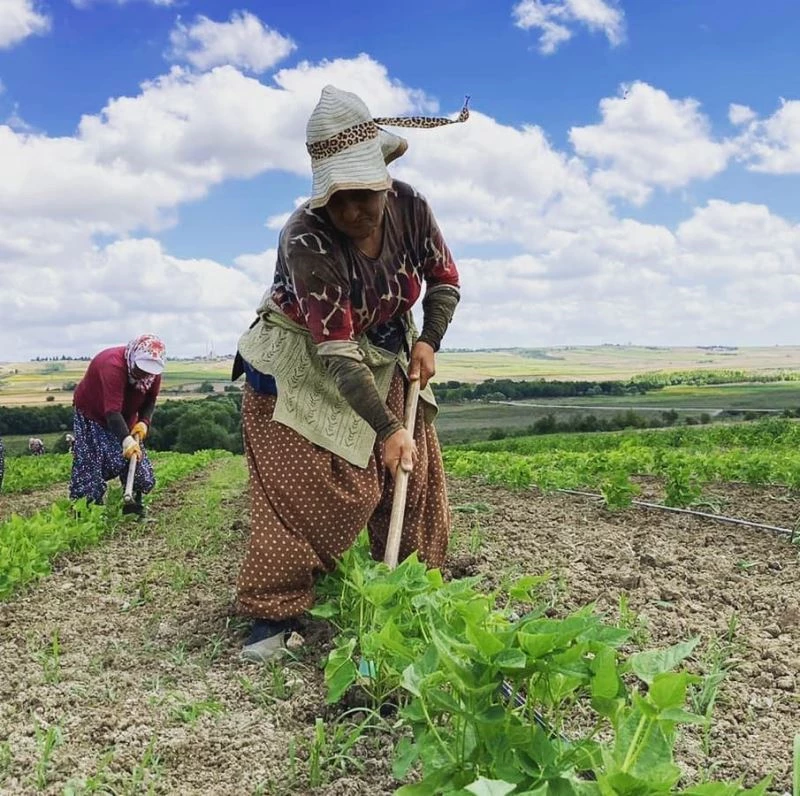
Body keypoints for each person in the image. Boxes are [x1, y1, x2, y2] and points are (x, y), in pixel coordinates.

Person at [233, 85, 468, 661]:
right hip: (303, 358)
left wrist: (430, 341)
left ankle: (416, 584)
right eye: (337, 199)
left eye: (363, 194)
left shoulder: (411, 207)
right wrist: (385, 428)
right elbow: (335, 350)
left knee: (410, 467)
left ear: (384, 178)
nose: (352, 212)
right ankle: (275, 612)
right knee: (306, 486)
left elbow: (444, 281)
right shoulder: (306, 237)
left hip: (383, 346)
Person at [70, 334, 166, 517]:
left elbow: (150, 400)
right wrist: (126, 441)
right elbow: (112, 412)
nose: (144, 374)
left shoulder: (154, 372)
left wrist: (143, 422)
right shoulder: (112, 366)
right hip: (94, 413)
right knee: (91, 460)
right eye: (140, 368)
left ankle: (133, 505)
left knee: (136, 457)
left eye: (149, 371)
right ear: (133, 357)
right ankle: (86, 511)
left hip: (125, 415)